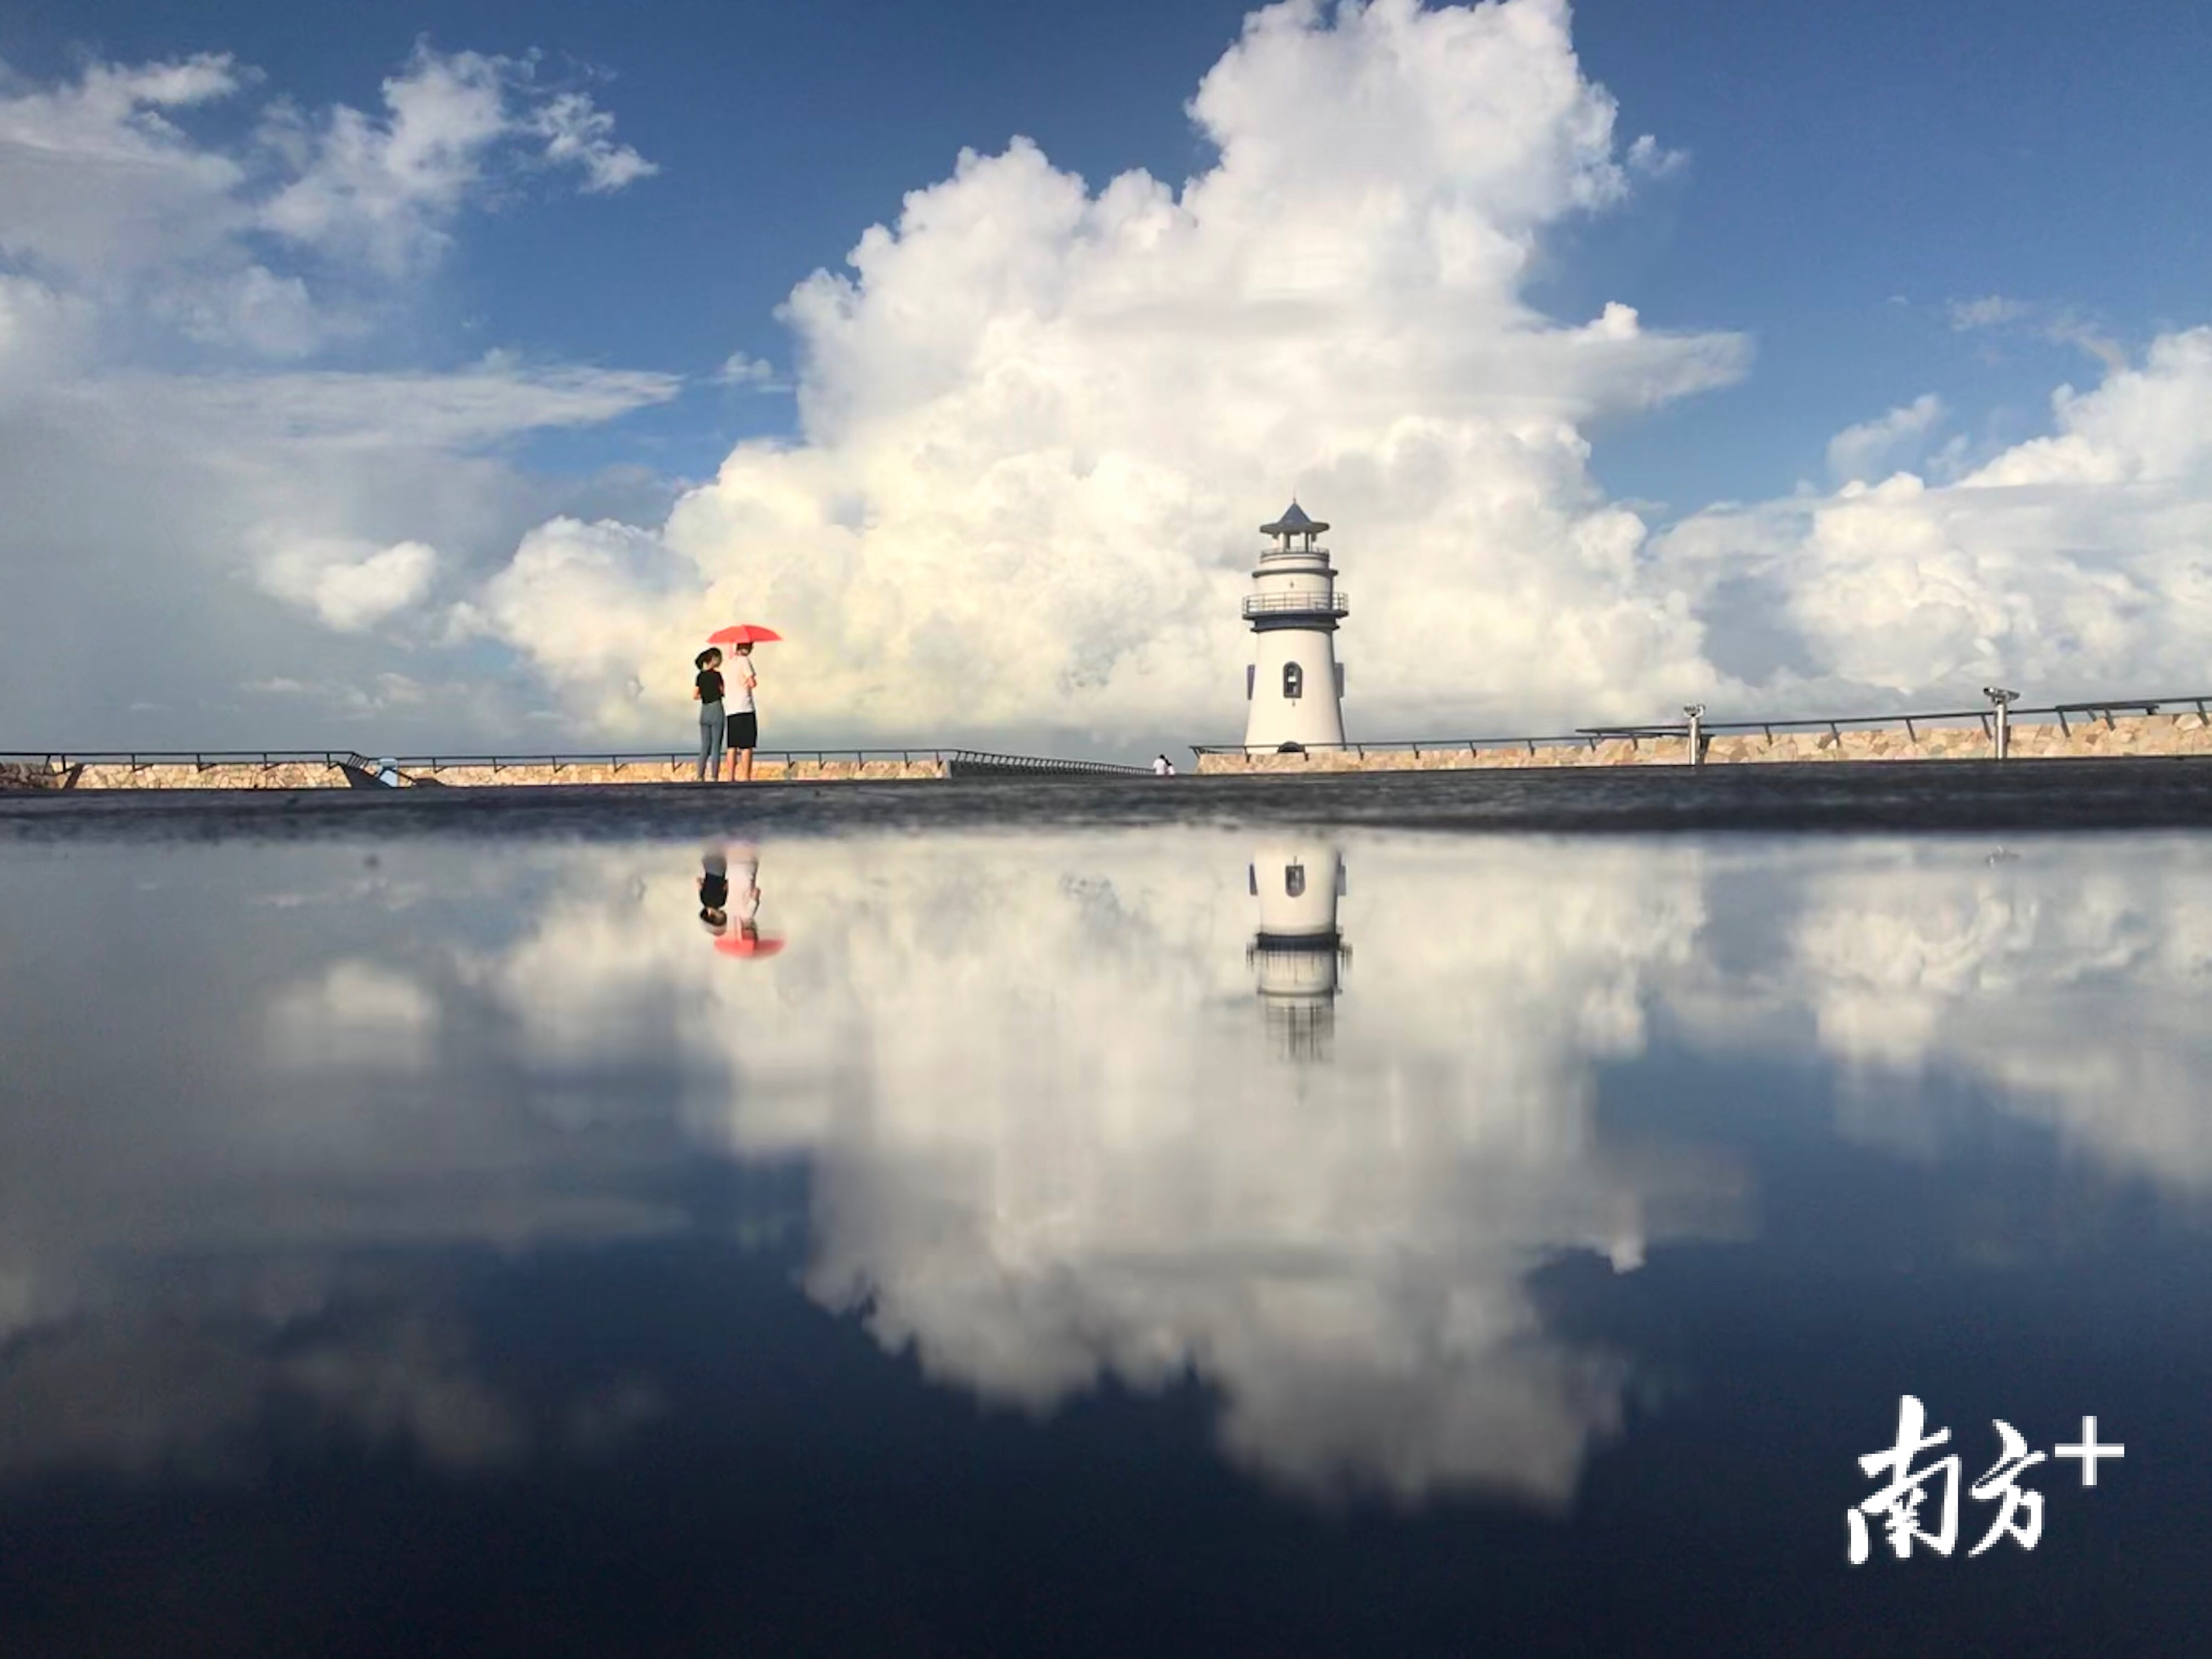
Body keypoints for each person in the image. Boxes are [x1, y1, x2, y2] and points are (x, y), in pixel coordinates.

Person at [726, 642, 760, 782]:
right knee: (746, 745)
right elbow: (752, 683)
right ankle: (746, 776)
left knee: (732, 745)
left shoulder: (729, 663)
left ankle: (730, 777)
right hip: (745, 706)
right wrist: (751, 682)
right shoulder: (745, 661)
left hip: (731, 708)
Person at [693, 648, 726, 781]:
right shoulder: (717, 676)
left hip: (704, 710)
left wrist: (705, 694)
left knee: (705, 745)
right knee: (716, 745)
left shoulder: (700, 676)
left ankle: (700, 775)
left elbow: (695, 695)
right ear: (714, 660)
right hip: (716, 708)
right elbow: (723, 692)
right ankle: (714, 776)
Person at [697, 849, 730, 932]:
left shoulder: (721, 902)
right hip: (708, 868)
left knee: (720, 848)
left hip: (720, 870)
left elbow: (726, 885)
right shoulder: (703, 900)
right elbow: (699, 881)